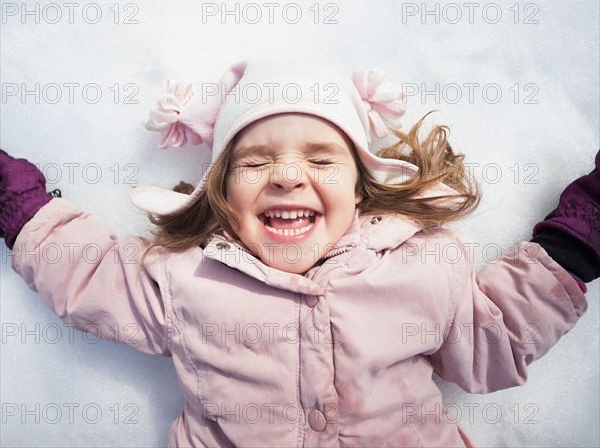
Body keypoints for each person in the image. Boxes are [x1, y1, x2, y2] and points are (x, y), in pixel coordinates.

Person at [1, 59, 598, 447]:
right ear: (221, 191)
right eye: (256, 162)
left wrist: (579, 235)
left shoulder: (423, 266)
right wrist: (18, 200)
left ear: (362, 188)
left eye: (320, 160)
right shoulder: (185, 278)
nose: (287, 175)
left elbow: (496, 336)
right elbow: (90, 275)